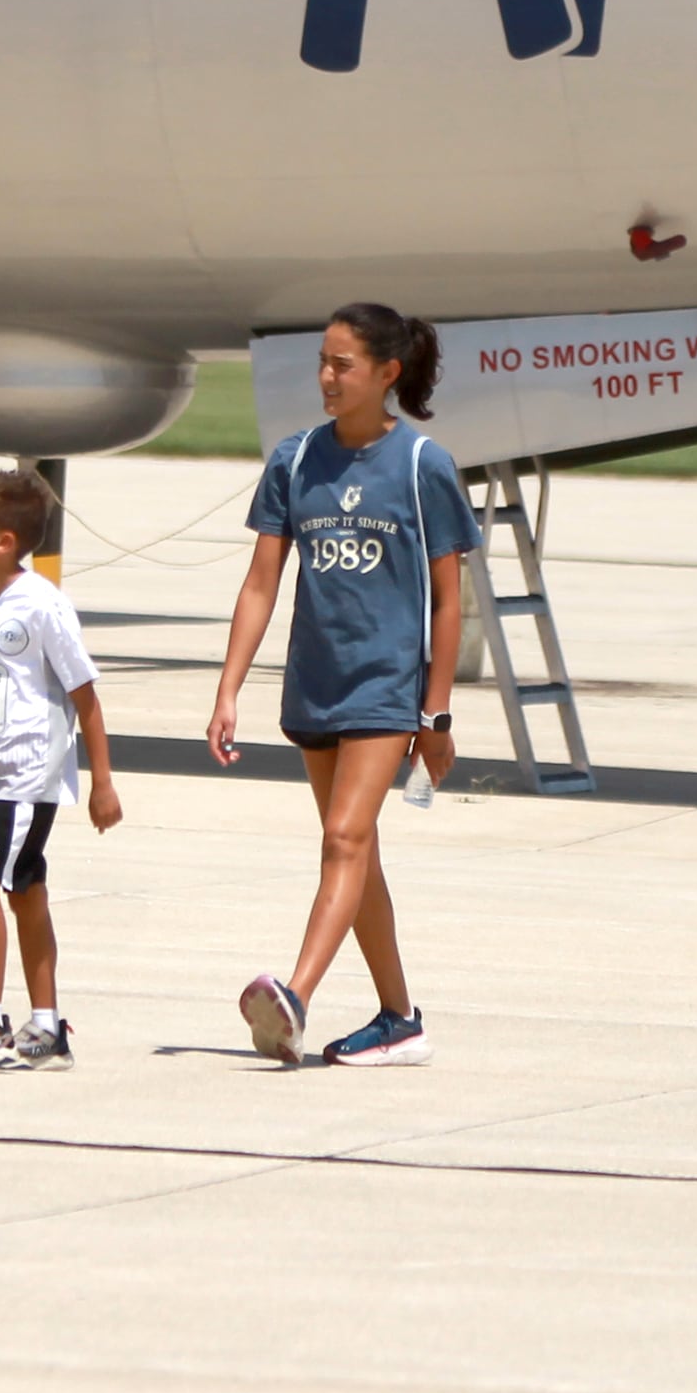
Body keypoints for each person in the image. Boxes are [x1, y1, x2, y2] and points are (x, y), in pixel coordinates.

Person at [207, 302, 467, 1070]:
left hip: (388, 687)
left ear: (387, 373)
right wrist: (229, 691)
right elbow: (260, 584)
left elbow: (450, 600)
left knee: (343, 839)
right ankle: (400, 1018)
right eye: (322, 361)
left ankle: (295, 995)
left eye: (342, 364)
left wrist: (437, 712)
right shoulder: (294, 460)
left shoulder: (424, 467)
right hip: (316, 685)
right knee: (359, 860)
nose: (325, 376)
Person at [0, 466, 120, 1071]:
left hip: (31, 776)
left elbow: (85, 694)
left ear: (3, 542)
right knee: (25, 891)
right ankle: (46, 1028)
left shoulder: (42, 605)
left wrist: (102, 782)